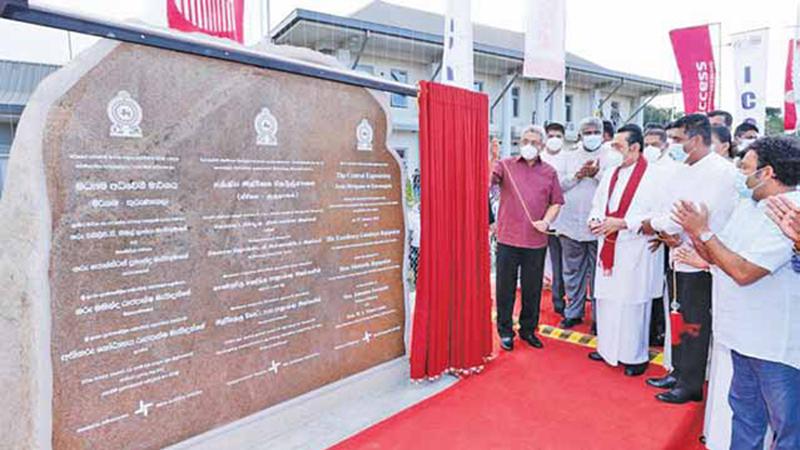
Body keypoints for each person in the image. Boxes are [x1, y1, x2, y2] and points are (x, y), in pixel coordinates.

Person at [673, 136, 800, 449]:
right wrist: (696, 231)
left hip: (774, 346)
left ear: (767, 172)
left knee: (788, 430)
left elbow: (744, 272)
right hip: (741, 336)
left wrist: (704, 233)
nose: (739, 173)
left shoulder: (790, 212)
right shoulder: (750, 204)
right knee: (745, 416)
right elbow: (721, 254)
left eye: (745, 166)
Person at [644, 114, 738, 404]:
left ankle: (691, 383)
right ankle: (679, 371)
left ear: (696, 140)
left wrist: (654, 224)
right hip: (678, 253)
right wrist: (661, 225)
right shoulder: (684, 169)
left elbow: (689, 215)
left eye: (676, 140)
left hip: (703, 258)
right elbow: (668, 209)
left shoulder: (721, 172)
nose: (672, 146)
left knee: (695, 322)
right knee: (679, 316)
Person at [585, 124, 663, 377]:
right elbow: (598, 204)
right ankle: (607, 349)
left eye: (618, 146)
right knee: (607, 300)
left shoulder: (654, 176)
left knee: (632, 304)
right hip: (608, 245)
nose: (613, 150)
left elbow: (659, 215)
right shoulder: (611, 173)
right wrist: (595, 220)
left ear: (635, 148)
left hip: (635, 249)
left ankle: (634, 356)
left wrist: (623, 223)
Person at [490, 125, 564, 351]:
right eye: (525, 141)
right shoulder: (505, 165)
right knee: (505, 288)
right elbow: (488, 181)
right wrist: (491, 158)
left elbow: (556, 202)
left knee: (533, 289)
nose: (528, 146)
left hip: (536, 240)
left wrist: (547, 221)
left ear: (541, 146)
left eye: (534, 142)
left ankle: (528, 329)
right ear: (519, 142)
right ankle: (505, 331)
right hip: (508, 238)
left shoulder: (549, 172)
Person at [551, 117, 614, 332]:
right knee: (572, 272)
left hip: (599, 226)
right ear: (580, 134)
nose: (591, 135)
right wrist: (578, 175)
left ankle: (599, 317)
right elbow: (558, 186)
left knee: (599, 275)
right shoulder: (569, 157)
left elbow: (615, 186)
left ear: (602, 133)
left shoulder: (611, 156)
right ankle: (573, 312)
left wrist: (595, 174)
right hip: (570, 224)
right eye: (586, 132)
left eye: (595, 131)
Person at [542, 122, 568, 315]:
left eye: (558, 136)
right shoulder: (538, 158)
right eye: (551, 135)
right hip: (541, 221)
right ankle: (551, 299)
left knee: (562, 263)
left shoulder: (569, 159)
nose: (554, 139)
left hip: (564, 221)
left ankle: (564, 301)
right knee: (542, 262)